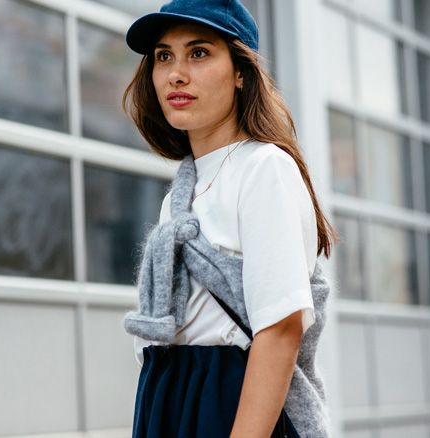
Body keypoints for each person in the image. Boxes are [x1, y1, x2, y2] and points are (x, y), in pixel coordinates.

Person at [121, 0, 340, 437]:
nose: (175, 74)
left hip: (229, 397)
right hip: (169, 395)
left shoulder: (264, 168)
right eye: (164, 56)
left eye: (199, 53)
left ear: (241, 72)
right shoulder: (181, 192)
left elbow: (280, 329)